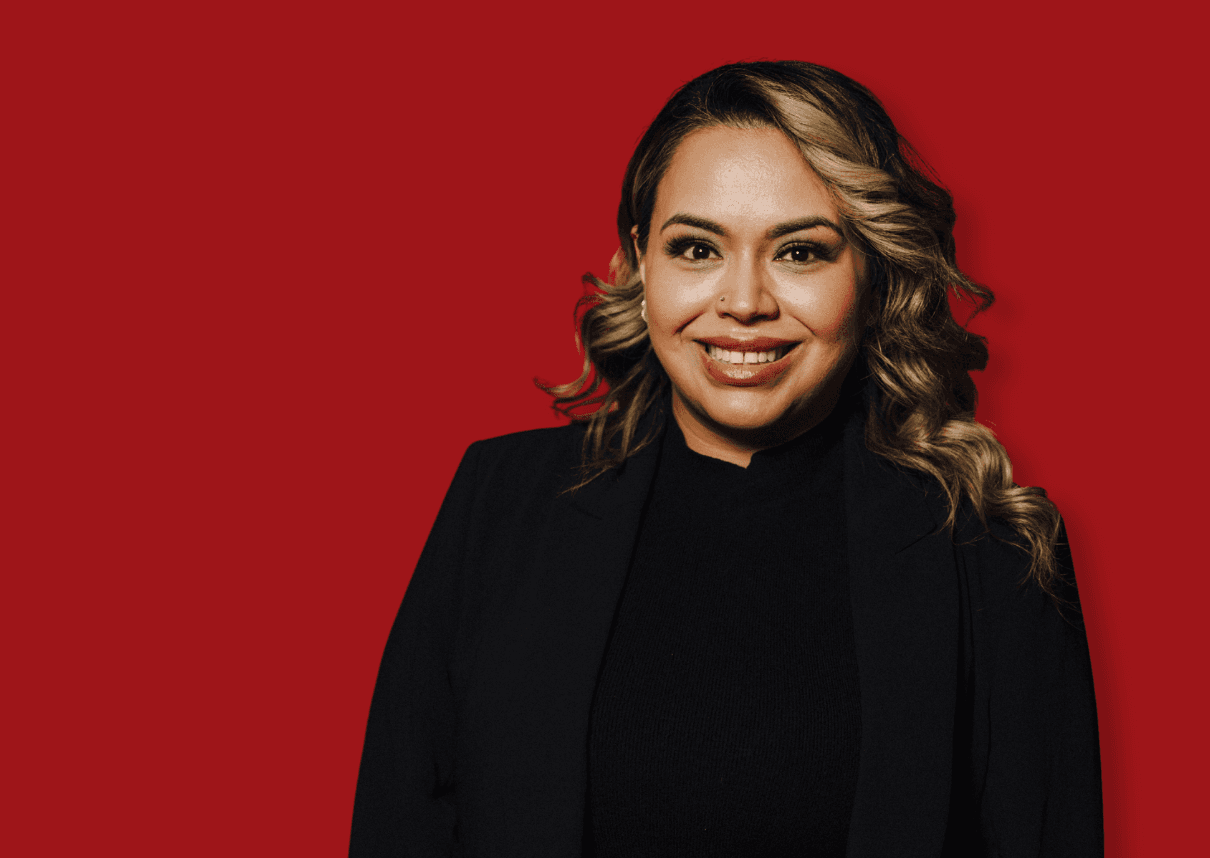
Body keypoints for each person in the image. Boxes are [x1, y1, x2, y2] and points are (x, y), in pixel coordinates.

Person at [350, 60, 1102, 857]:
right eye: (697, 248)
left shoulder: (992, 551)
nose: (743, 303)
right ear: (643, 262)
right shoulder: (500, 505)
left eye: (802, 253)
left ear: (873, 274)